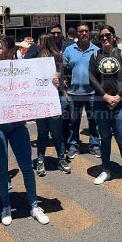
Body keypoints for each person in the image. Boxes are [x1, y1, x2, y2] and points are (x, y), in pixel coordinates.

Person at [0, 35, 49, 226]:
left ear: (8, 50)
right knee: (2, 169)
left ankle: (33, 205)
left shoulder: (23, 69)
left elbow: (40, 83)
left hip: (17, 127)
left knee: (26, 167)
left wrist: (52, 83)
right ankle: (5, 206)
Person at [89, 25, 122, 186]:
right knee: (105, 138)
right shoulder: (95, 55)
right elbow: (92, 78)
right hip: (101, 102)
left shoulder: (121, 54)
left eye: (108, 35)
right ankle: (106, 170)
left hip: (120, 103)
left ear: (114, 37)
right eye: (102, 36)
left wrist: (117, 96)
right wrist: (106, 96)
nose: (105, 38)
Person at [33, 34, 71, 176]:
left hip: (55, 98)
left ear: (44, 42)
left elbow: (59, 72)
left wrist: (54, 78)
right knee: (42, 133)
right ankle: (41, 160)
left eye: (38, 40)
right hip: (40, 100)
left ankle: (61, 159)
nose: (36, 43)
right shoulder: (36, 58)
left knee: (56, 132)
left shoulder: (56, 56)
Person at [63, 22, 101, 158]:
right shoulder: (69, 50)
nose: (83, 33)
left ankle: (95, 145)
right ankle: (73, 145)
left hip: (92, 92)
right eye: (80, 31)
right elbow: (65, 70)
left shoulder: (97, 50)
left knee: (94, 121)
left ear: (89, 33)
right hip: (74, 93)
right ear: (77, 34)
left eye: (86, 31)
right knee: (73, 122)